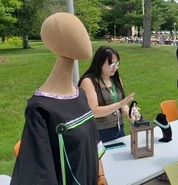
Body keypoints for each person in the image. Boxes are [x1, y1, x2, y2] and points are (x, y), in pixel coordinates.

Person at [11, 13, 108, 185]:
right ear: (56, 39)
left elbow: (92, 139)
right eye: (74, 32)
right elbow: (38, 173)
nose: (84, 38)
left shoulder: (80, 95)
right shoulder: (40, 109)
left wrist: (100, 176)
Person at [79, 46, 135, 142]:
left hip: (119, 129)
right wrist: (119, 104)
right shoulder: (88, 81)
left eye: (117, 63)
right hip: (100, 132)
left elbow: (121, 103)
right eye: (111, 63)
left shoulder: (115, 79)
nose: (115, 67)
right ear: (100, 63)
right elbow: (93, 112)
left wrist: (129, 112)